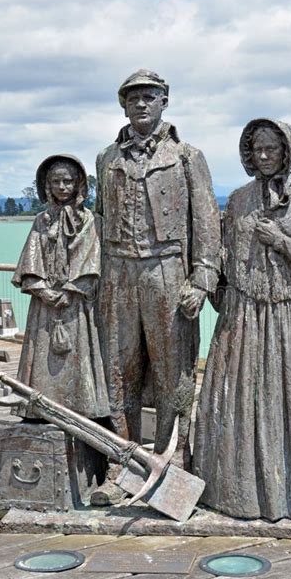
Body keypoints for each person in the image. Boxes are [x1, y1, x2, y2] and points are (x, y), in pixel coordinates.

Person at [193, 118, 291, 522]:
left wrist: (282, 242)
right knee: (240, 401)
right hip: (244, 317)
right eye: (258, 149)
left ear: (288, 151)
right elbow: (224, 256)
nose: (265, 156)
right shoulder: (238, 199)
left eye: (272, 149)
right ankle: (237, 492)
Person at [92, 69, 221, 505]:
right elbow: (99, 219)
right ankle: (121, 460)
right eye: (133, 98)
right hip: (118, 272)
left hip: (167, 271)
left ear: (165, 101)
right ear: (122, 104)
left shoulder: (187, 156)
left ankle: (174, 457)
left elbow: (207, 221)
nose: (141, 104)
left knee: (174, 370)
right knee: (118, 369)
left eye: (150, 97)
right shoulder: (107, 158)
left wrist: (202, 277)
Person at [12, 154, 109, 423]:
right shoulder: (42, 220)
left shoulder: (89, 220)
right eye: (56, 181)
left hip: (76, 303)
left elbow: (90, 258)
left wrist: (70, 290)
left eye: (68, 181)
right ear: (47, 184)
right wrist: (43, 290)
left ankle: (81, 408)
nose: (63, 187)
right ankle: (38, 407)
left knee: (79, 357)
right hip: (45, 304)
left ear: (79, 183)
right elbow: (31, 262)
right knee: (42, 355)